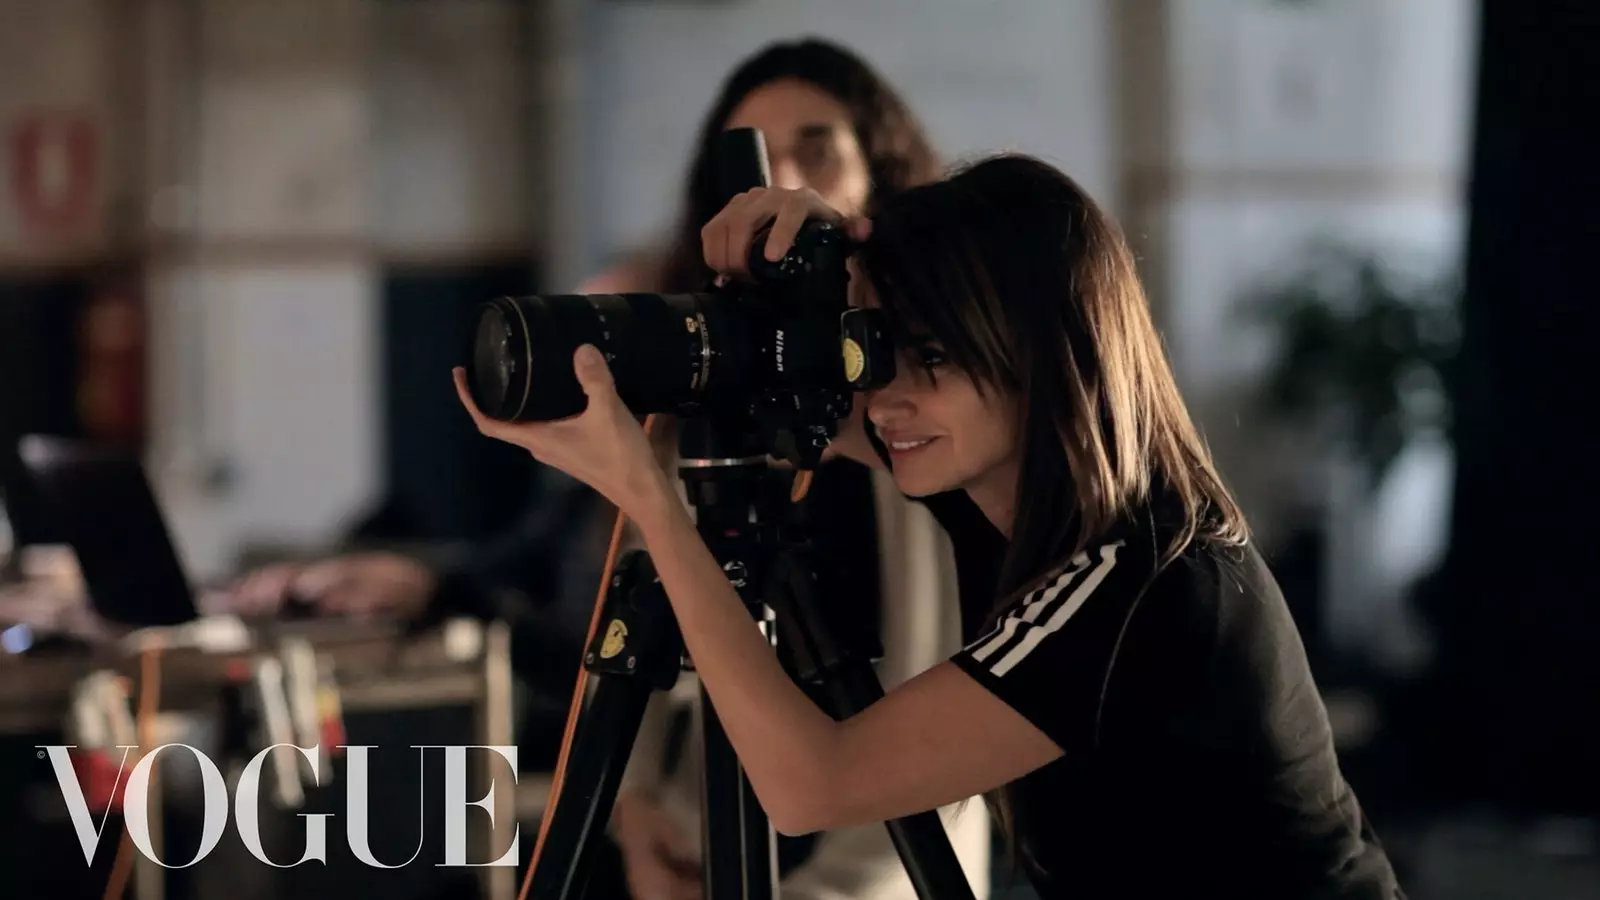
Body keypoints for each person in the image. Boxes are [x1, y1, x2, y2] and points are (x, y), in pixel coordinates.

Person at [451, 154, 1408, 899]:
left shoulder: (1136, 582)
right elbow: (824, 403)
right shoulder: (1019, 489)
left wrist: (651, 504)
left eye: (935, 355)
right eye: (879, 350)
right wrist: (821, 266)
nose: (890, 396)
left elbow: (811, 782)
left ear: (1041, 354)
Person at [225, 36, 990, 900]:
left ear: (879, 180)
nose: (780, 180)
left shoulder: (926, 427)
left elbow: (919, 748)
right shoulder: (697, 407)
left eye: (815, 150)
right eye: (753, 158)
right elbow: (623, 621)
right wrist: (633, 809)